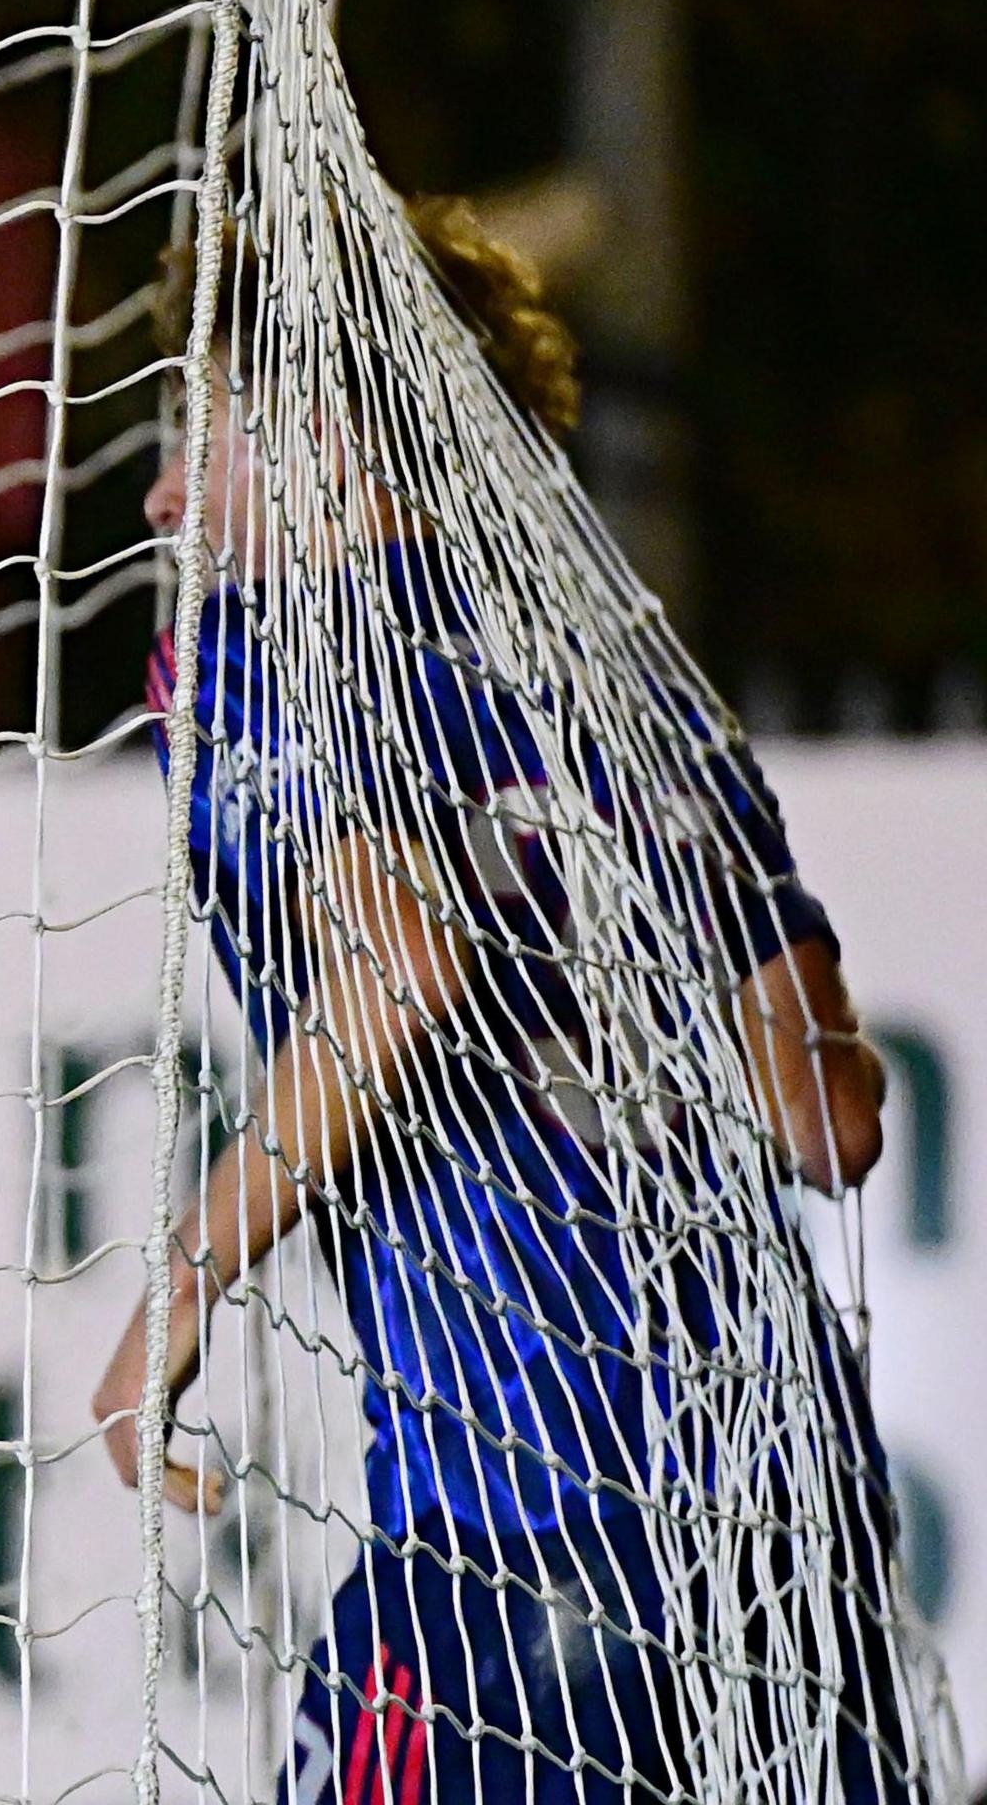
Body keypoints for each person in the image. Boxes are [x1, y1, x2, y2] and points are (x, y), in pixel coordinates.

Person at [89, 199, 917, 1802]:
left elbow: (397, 967)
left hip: (512, 1509)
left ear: (326, 437)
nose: (164, 493)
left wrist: (175, 1296)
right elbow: (831, 1118)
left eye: (203, 429)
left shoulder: (277, 656)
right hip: (782, 1503)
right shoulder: (635, 678)